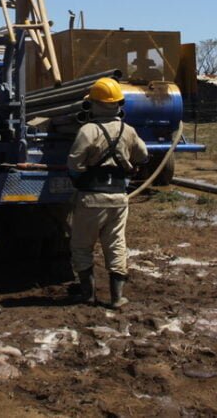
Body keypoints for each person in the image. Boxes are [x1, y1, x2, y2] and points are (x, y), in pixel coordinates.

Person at [68, 77, 148, 309]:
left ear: (94, 104)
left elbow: (74, 164)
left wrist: (81, 179)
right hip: (119, 198)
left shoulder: (88, 130)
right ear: (117, 104)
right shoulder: (128, 130)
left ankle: (88, 295)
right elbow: (142, 156)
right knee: (115, 245)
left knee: (82, 246)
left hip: (91, 198)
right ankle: (117, 297)